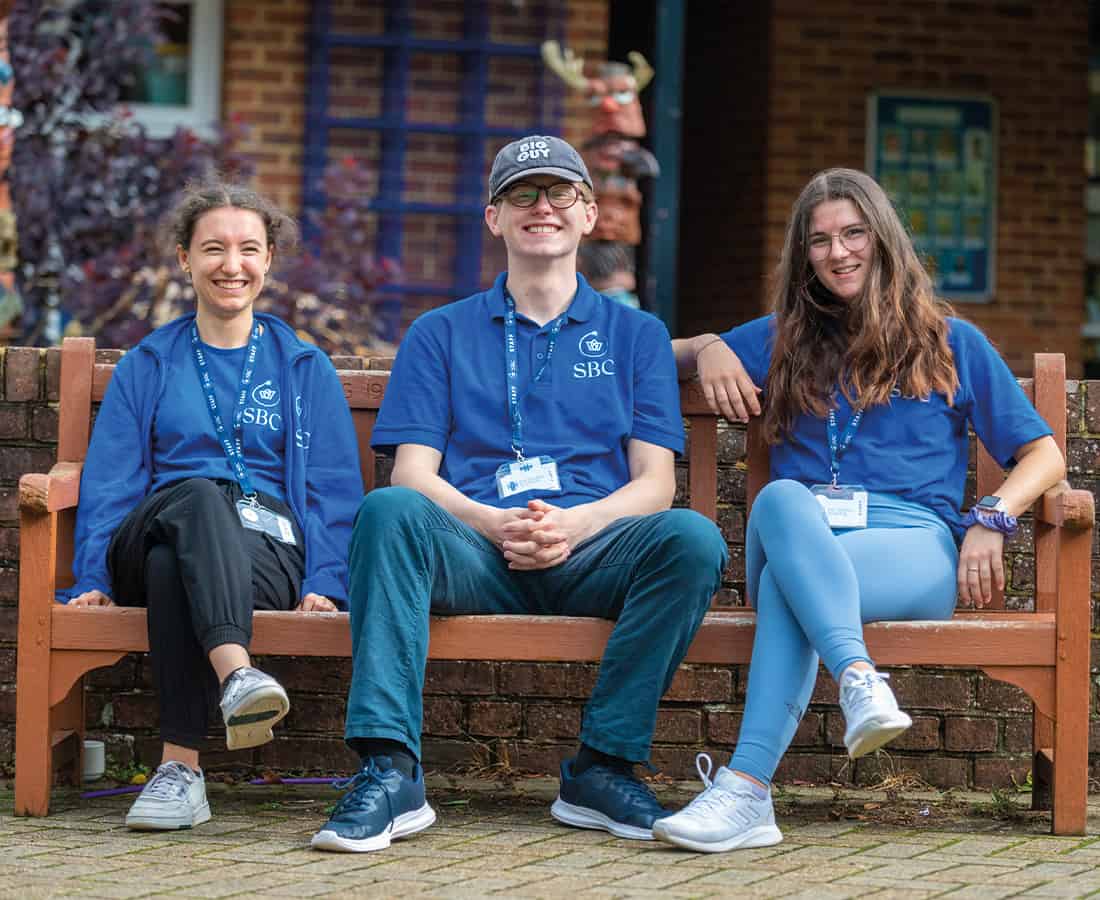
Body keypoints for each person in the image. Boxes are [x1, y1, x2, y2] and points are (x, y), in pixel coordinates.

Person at [311, 135, 728, 854]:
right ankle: (391, 771)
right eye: (522, 195)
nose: (542, 207)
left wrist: (575, 524)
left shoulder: (636, 336)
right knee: (388, 511)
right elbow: (412, 473)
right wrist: (492, 521)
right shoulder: (439, 332)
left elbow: (656, 484)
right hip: (473, 548)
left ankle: (602, 768)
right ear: (494, 218)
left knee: (693, 539)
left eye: (559, 193)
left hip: (593, 550)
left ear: (589, 214)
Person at [656, 168, 1065, 853]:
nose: (838, 252)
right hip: (797, 533)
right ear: (803, 256)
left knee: (793, 588)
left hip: (911, 550)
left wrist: (992, 517)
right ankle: (857, 678)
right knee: (785, 498)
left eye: (853, 234)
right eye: (819, 241)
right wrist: (708, 346)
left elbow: (1045, 456)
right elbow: (646, 361)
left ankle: (747, 791)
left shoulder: (949, 341)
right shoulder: (783, 337)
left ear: (883, 240)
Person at [65, 178, 363, 831]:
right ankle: (237, 674)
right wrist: (90, 577)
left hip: (261, 550)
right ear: (184, 259)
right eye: (213, 249)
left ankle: (181, 772)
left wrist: (325, 583)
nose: (232, 265)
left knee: (182, 564)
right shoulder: (150, 363)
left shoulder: (302, 366)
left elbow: (335, 490)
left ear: (269, 261)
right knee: (196, 496)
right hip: (151, 532)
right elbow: (112, 481)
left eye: (249, 249)